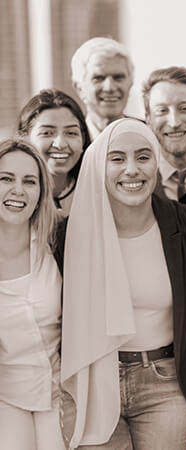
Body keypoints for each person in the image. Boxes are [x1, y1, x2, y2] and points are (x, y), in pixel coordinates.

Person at [60, 118, 186, 449]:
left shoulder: (184, 223)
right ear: (98, 166)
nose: (132, 169)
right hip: (93, 379)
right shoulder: (69, 235)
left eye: (143, 157)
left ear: (156, 163)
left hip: (165, 383)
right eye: (117, 158)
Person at [0, 139, 65, 449]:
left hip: (62, 390)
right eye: (6, 179)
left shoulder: (58, 240)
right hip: (5, 395)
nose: (18, 190)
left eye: (29, 181)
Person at [16, 88, 91, 215]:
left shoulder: (96, 193)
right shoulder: (10, 194)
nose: (60, 144)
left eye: (71, 133)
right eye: (47, 133)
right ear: (24, 139)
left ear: (83, 140)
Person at [142, 66, 186, 200]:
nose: (174, 123)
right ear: (148, 120)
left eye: (184, 108)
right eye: (162, 110)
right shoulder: (138, 180)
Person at [71, 37, 134, 139]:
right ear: (79, 89)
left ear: (130, 84)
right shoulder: (68, 143)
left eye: (118, 77)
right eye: (99, 78)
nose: (110, 87)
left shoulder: (149, 136)